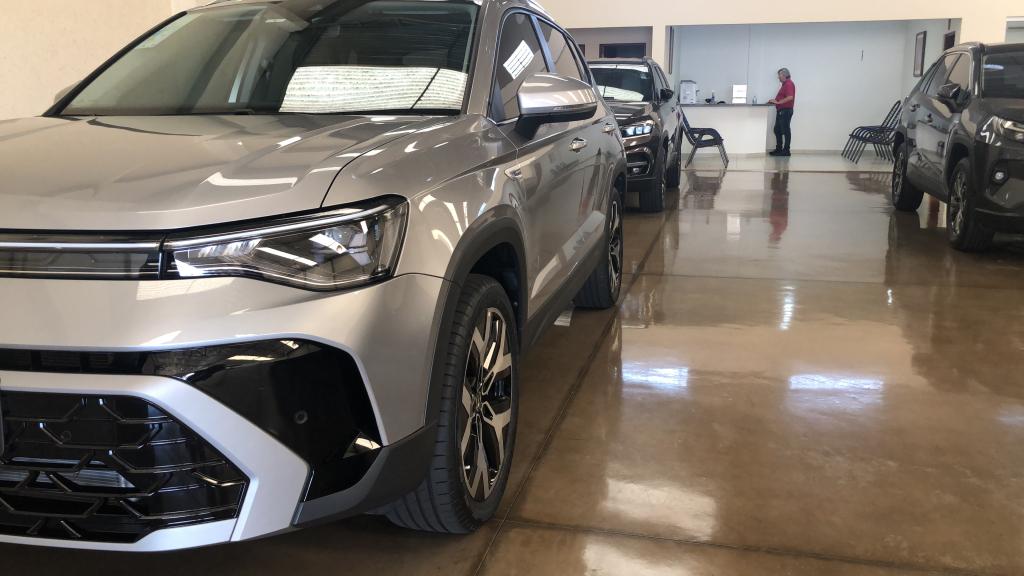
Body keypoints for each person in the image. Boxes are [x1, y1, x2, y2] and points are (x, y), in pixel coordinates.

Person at [768, 68, 796, 157]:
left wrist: (778, 102)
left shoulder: (789, 84)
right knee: (777, 130)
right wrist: (775, 101)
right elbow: (784, 96)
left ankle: (786, 151)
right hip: (782, 111)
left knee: (786, 130)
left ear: (784, 75)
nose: (778, 77)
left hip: (785, 111)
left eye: (779, 75)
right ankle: (779, 149)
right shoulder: (785, 84)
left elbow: (790, 97)